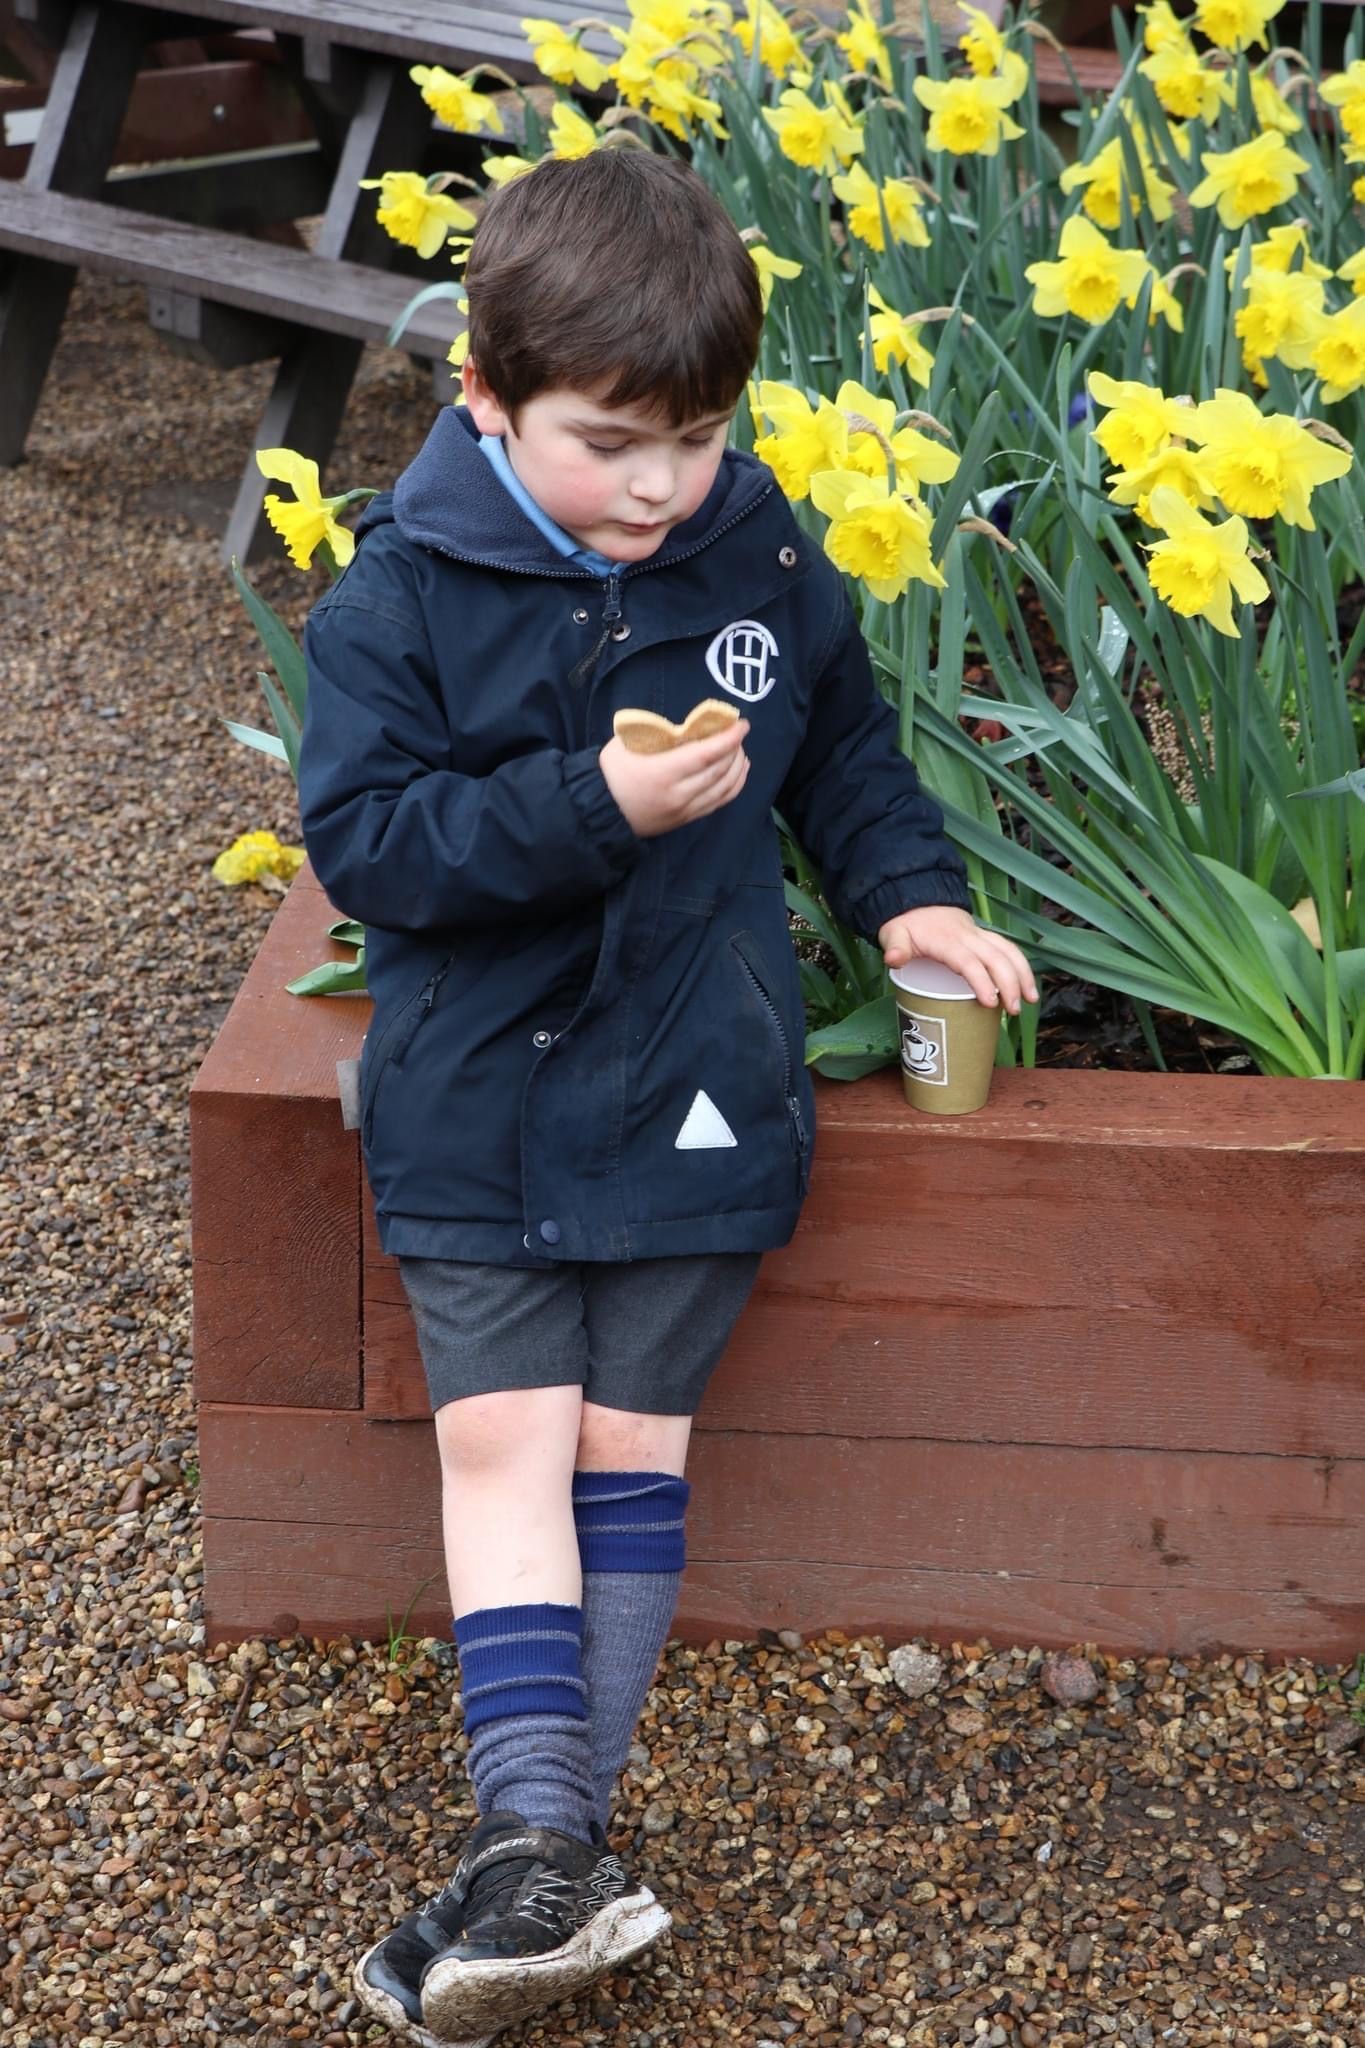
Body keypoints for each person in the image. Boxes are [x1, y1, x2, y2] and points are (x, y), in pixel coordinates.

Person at [297, 145, 1036, 2048]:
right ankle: (542, 1835)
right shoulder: (401, 593)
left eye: (696, 438)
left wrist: (916, 903)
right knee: (501, 1440)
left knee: (630, 1451)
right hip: (477, 1102)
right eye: (609, 439)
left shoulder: (754, 547)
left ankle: (547, 1863)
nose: (656, 485)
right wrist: (590, 811)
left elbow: (846, 752)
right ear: (483, 397)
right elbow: (373, 848)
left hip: (700, 1081)